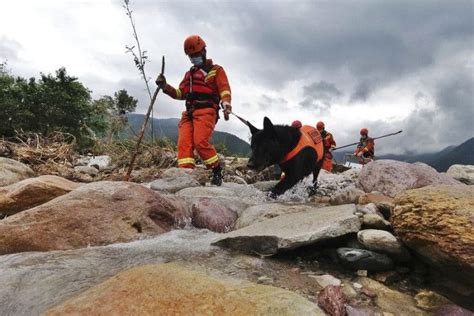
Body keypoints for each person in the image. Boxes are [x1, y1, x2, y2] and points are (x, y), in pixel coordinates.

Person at [155, 35, 232, 186]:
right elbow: (180, 94)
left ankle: (217, 170)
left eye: (196, 55)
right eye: (191, 56)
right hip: (189, 113)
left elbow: (224, 88)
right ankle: (185, 176)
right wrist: (165, 86)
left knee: (200, 142)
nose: (194, 58)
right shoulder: (189, 75)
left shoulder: (216, 70)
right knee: (184, 144)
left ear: (204, 51)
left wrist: (226, 103)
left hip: (206, 111)